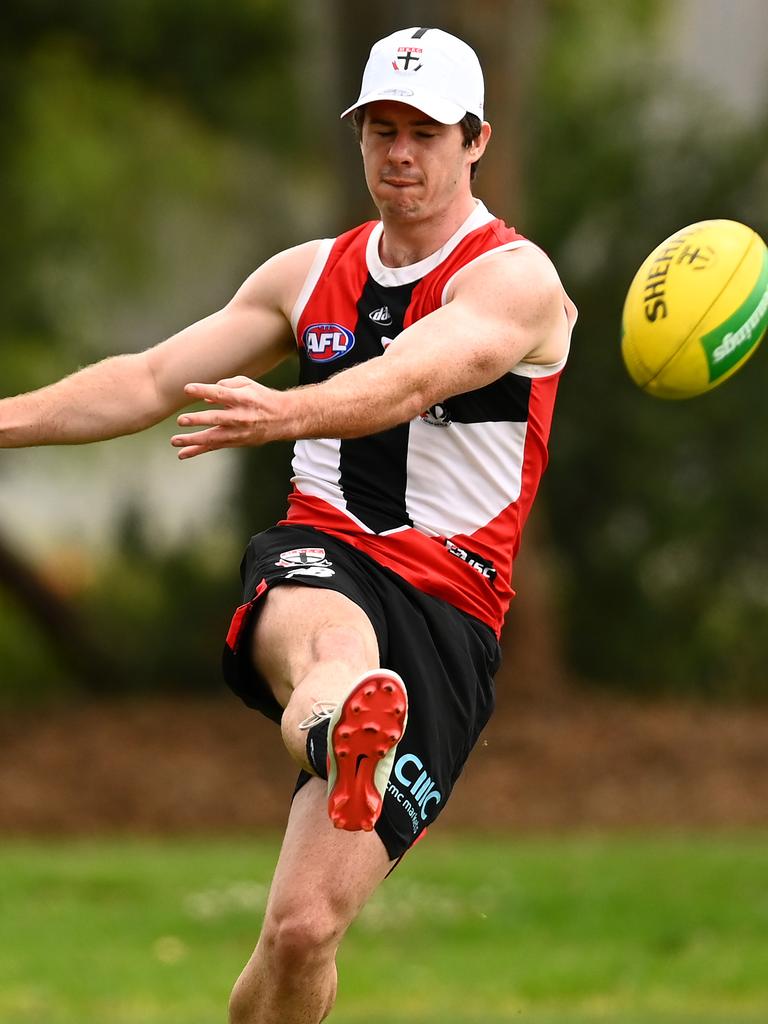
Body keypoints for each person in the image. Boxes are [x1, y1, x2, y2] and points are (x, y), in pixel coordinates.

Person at [0, 26, 576, 1024]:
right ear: (357, 136)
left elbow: (419, 372)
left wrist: (290, 410)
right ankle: (342, 729)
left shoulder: (514, 282)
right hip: (324, 552)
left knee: (302, 931)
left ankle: (351, 736)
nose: (399, 152)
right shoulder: (307, 274)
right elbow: (144, 380)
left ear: (476, 140)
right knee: (331, 638)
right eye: (381, 129)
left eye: (426, 132)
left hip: (450, 613)